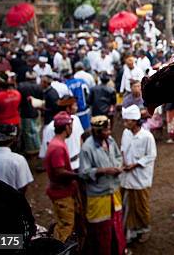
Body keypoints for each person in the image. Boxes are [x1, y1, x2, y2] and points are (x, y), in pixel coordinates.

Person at [79, 115, 126, 255]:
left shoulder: (110, 141)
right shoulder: (87, 148)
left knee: (116, 226)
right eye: (105, 131)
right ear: (97, 132)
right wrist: (103, 171)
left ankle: (119, 250)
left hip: (114, 192)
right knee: (101, 230)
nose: (109, 133)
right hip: (99, 196)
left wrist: (118, 167)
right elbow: (83, 173)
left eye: (109, 130)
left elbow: (118, 157)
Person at [44, 111, 83, 244]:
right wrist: (78, 176)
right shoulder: (58, 147)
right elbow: (59, 172)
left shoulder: (57, 143)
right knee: (66, 226)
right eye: (70, 126)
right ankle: (60, 248)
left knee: (65, 222)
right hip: (61, 193)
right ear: (66, 127)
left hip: (62, 190)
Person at [120, 105, 157, 243]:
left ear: (135, 121)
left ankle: (144, 230)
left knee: (141, 206)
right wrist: (124, 162)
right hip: (126, 177)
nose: (125, 123)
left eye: (127, 121)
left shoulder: (147, 136)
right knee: (128, 207)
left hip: (140, 178)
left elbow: (151, 156)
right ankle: (131, 232)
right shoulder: (126, 133)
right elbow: (123, 149)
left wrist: (135, 165)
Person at [39, 96, 85, 170]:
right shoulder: (50, 128)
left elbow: (80, 140)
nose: (77, 107)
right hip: (61, 168)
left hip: (79, 163)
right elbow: (47, 152)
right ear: (68, 108)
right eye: (75, 105)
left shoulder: (76, 119)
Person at [17, 71, 43, 157]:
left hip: (25, 112)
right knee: (36, 131)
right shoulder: (38, 87)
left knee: (27, 132)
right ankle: (37, 149)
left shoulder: (21, 86)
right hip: (36, 110)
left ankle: (31, 151)